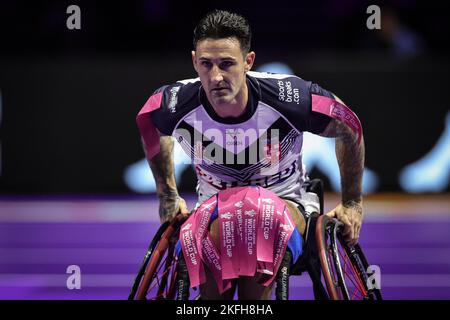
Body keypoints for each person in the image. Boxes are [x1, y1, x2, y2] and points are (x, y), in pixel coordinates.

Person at [136, 10, 365, 299]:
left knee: (254, 218)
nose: (216, 76)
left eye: (227, 64)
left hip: (285, 205)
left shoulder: (289, 97)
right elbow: (149, 126)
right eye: (206, 64)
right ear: (194, 61)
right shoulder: (173, 103)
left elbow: (349, 126)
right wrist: (167, 194)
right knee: (208, 243)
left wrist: (352, 202)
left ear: (248, 62)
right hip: (212, 210)